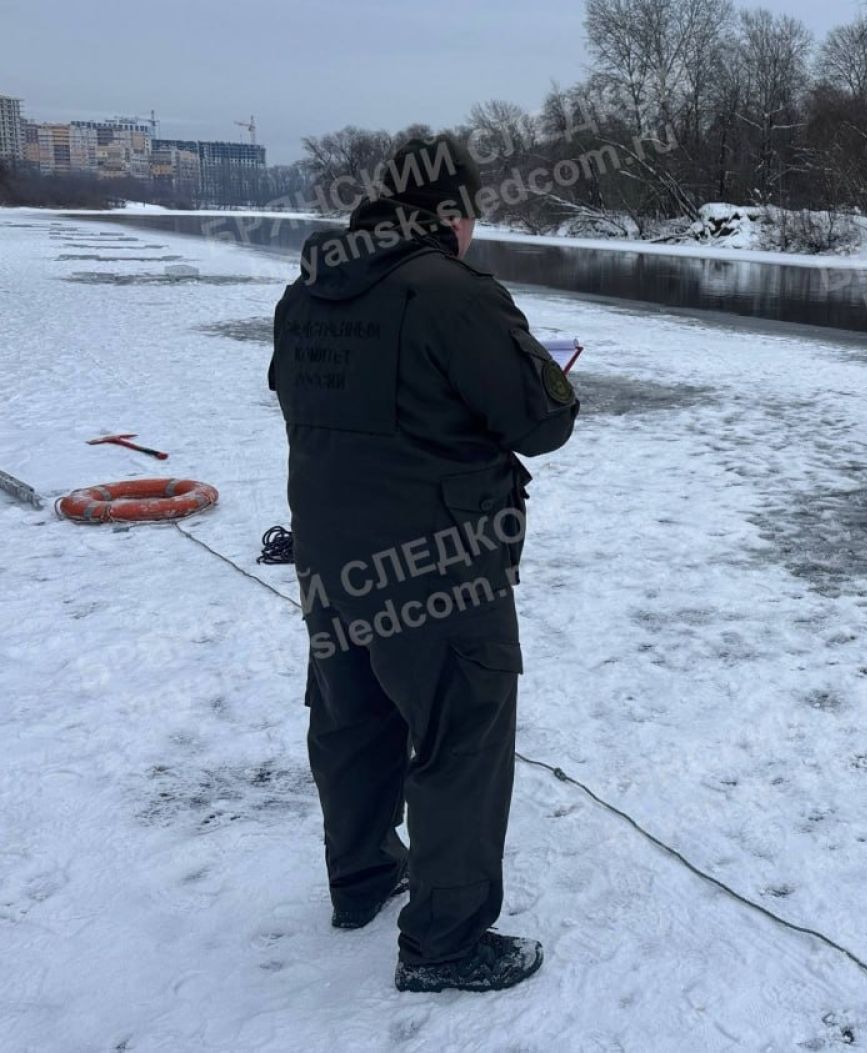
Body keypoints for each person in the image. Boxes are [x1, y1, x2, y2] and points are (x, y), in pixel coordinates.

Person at [269, 134, 579, 993]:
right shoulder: (455, 293)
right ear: (451, 213)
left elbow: (299, 398)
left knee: (352, 719)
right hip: (441, 563)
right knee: (460, 736)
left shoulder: (308, 289)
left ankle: (362, 876)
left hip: (331, 552)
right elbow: (543, 422)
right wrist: (546, 374)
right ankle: (445, 943)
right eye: (472, 214)